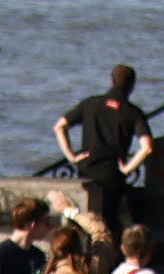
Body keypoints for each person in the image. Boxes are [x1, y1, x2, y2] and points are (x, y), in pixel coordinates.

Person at [57, 64, 154, 231]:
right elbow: (147, 147)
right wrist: (127, 169)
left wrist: (71, 156)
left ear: (111, 81)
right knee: (109, 224)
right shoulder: (133, 113)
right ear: (132, 86)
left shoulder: (90, 104)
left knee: (84, 222)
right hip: (112, 176)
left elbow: (59, 127)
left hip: (86, 172)